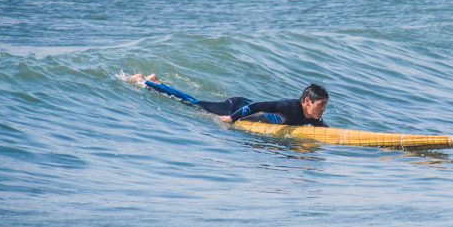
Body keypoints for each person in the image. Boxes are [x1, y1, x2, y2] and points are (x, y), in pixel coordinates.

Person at [128, 73, 329, 127]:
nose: (323, 110)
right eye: (321, 105)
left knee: (193, 102)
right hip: (237, 106)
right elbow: (256, 106)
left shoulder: (313, 118)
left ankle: (158, 82)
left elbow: (324, 129)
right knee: (192, 103)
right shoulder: (289, 106)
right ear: (307, 102)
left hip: (249, 112)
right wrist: (231, 118)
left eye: (325, 105)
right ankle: (145, 82)